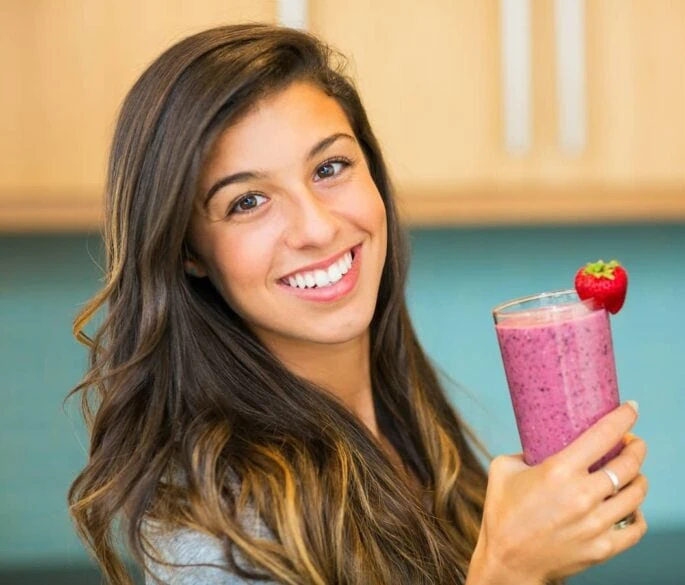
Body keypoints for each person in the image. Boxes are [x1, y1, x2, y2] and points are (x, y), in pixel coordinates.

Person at [67, 23, 648, 585]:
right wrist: (511, 571)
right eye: (247, 201)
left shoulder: (411, 430)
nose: (316, 228)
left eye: (329, 167)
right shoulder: (211, 523)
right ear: (187, 250)